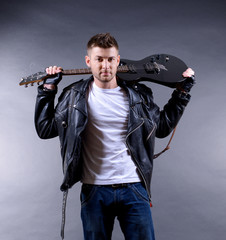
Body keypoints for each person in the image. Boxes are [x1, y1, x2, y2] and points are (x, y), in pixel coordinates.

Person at [35, 33, 195, 240]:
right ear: (88, 61)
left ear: (118, 61)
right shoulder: (73, 95)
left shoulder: (139, 95)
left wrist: (181, 94)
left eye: (110, 59)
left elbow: (162, 128)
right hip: (94, 191)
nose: (105, 66)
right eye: (99, 59)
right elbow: (45, 129)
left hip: (135, 188)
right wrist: (47, 89)